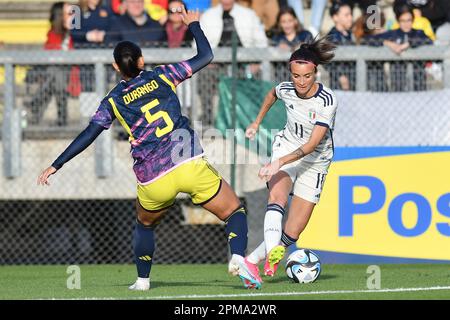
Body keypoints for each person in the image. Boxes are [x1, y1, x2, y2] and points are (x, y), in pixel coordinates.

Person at [37, 7, 261, 291]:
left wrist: (56, 164)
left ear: (116, 68)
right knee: (233, 212)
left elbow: (89, 134)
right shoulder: (164, 74)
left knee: (144, 225)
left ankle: (143, 281)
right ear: (142, 61)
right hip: (187, 160)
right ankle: (238, 257)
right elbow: (206, 56)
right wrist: (193, 25)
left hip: (153, 176)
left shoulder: (113, 100)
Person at [243, 37, 338, 281]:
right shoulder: (286, 88)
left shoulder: (327, 101)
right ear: (291, 73)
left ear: (316, 72)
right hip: (286, 145)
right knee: (277, 198)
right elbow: (272, 94)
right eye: (296, 76)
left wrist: (278, 163)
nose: (302, 81)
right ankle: (270, 263)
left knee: (293, 231)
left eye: (307, 76)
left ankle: (253, 260)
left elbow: (310, 146)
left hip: (316, 161)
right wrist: (256, 122)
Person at [26, 1, 81, 126]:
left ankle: (36, 102)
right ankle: (62, 116)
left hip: (73, 71)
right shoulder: (53, 34)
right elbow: (50, 55)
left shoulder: (76, 32)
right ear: (59, 16)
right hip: (59, 73)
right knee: (56, 74)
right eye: (68, 13)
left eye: (73, 13)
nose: (72, 16)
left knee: (55, 73)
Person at [370, 4, 433, 91]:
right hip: (398, 85)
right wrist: (387, 43)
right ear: (398, 21)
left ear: (413, 20)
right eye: (403, 21)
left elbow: (429, 40)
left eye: (409, 20)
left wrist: (409, 43)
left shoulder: (419, 33)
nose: (406, 24)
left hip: (418, 85)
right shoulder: (393, 34)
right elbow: (369, 39)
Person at [326, 1, 355, 91]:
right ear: (335, 17)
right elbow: (326, 60)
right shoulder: (332, 37)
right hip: (339, 85)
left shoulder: (350, 34)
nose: (350, 18)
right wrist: (340, 76)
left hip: (353, 78)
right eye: (346, 15)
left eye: (351, 14)